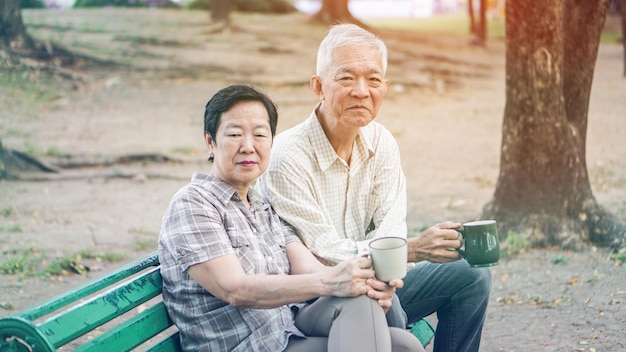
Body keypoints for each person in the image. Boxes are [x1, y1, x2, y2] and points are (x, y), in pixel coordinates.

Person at [256, 24, 492, 352]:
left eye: (374, 79)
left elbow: (392, 228)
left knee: (471, 275)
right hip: (317, 301)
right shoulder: (288, 155)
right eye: (346, 77)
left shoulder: (381, 142)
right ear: (318, 87)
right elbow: (323, 250)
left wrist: (392, 267)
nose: (361, 91)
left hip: (378, 283)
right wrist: (405, 252)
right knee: (375, 296)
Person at [158, 84, 423, 352]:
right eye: (235, 134)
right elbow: (235, 290)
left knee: (400, 339)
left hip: (284, 329)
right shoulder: (193, 203)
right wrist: (331, 281)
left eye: (260, 134)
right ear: (210, 142)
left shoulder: (260, 205)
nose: (248, 146)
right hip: (244, 345)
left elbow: (310, 268)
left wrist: (363, 281)